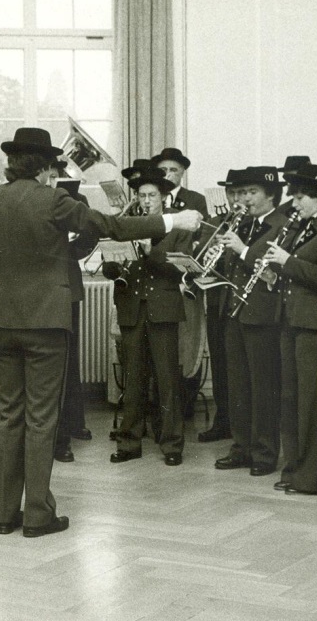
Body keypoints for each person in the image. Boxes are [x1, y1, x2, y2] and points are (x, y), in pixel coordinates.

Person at [0, 127, 202, 537]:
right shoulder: (53, 200)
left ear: (13, 165)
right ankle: (36, 515)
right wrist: (174, 218)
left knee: (8, 415)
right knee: (41, 417)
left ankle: (3, 514)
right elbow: (111, 227)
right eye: (52, 167)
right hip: (45, 321)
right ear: (45, 168)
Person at [265, 164, 317, 495]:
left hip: (315, 325)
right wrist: (277, 271)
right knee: (292, 399)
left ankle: (314, 480)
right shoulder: (308, 228)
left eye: (299, 197)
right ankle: (295, 469)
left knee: (311, 403)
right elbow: (300, 271)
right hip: (293, 320)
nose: (294, 203)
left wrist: (288, 262)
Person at [108, 170, 194, 467]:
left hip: (164, 307)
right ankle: (129, 442)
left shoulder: (179, 225)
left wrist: (150, 251)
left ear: (163, 198)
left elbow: (182, 269)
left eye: (151, 196)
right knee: (133, 379)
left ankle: (172, 444)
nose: (146, 201)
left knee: (167, 378)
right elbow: (115, 269)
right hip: (132, 307)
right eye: (141, 196)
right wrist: (113, 263)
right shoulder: (129, 223)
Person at [214, 166, 289, 476]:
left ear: (271, 195)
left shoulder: (282, 225)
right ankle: (241, 447)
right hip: (234, 311)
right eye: (241, 193)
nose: (244, 199)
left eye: (252, 192)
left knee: (263, 386)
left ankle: (265, 453)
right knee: (238, 386)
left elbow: (271, 267)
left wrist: (241, 249)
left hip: (262, 314)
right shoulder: (241, 223)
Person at [47, 163, 100, 464]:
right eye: (49, 175)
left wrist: (71, 248)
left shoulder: (77, 202)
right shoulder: (32, 200)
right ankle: (55, 435)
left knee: (68, 363)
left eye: (57, 176)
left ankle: (67, 431)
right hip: (40, 288)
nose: (53, 181)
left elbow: (91, 236)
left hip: (68, 287)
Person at [194, 171, 243, 445]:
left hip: (239, 302)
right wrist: (211, 245)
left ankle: (242, 424)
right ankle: (223, 421)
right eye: (231, 193)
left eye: (239, 193)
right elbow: (200, 260)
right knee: (221, 365)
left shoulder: (250, 226)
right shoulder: (214, 222)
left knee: (240, 368)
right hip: (216, 302)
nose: (235, 199)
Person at [152, 147, 209, 216]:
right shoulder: (148, 197)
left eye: (173, 170)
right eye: (163, 170)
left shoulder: (198, 200)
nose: (167, 174)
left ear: (182, 173)